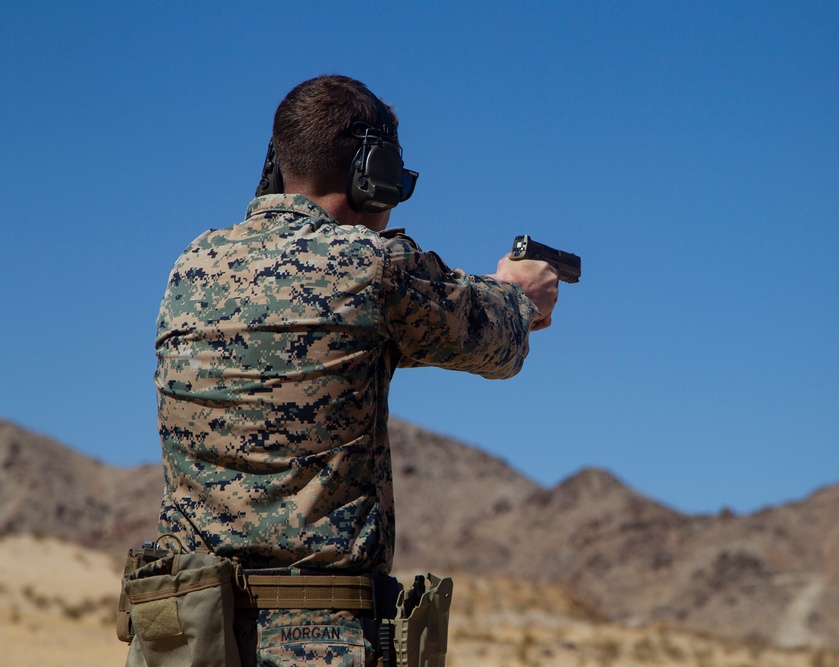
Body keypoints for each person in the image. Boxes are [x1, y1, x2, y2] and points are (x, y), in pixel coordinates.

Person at [152, 74, 558, 666]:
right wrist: (522, 293)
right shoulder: (370, 265)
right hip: (315, 644)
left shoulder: (190, 266)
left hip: (185, 640)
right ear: (375, 172)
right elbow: (498, 342)